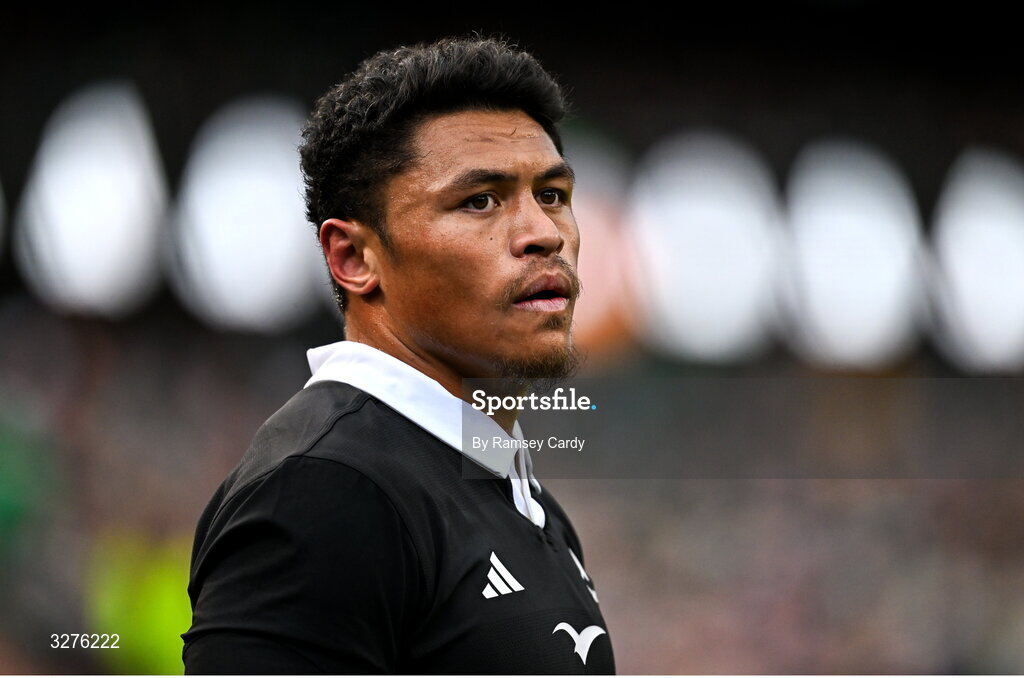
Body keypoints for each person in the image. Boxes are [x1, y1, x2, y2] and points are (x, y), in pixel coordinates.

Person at [181, 35, 615, 674]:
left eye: (552, 195)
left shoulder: (510, 487)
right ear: (354, 258)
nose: (544, 234)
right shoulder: (326, 491)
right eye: (480, 201)